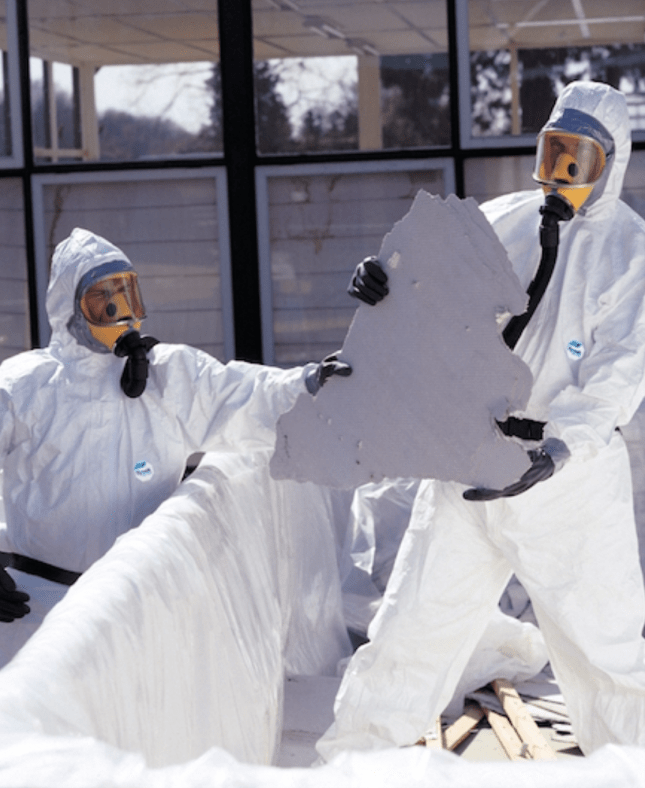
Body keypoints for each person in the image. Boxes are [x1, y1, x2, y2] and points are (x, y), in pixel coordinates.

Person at [317, 81, 645, 759]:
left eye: (577, 160)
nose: (560, 174)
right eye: (552, 153)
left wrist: (555, 453)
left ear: (609, 166)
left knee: (605, 654)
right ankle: (351, 765)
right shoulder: (504, 220)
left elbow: (615, 382)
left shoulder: (629, 254)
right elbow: (424, 288)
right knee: (409, 633)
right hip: (467, 465)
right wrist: (381, 285)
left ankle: (630, 768)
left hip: (567, 487)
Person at [0, 227, 349, 666]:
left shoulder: (167, 377)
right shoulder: (26, 385)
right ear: (68, 309)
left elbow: (246, 396)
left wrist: (313, 382)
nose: (122, 315)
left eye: (129, 298)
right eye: (105, 302)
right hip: (44, 613)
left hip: (146, 608)